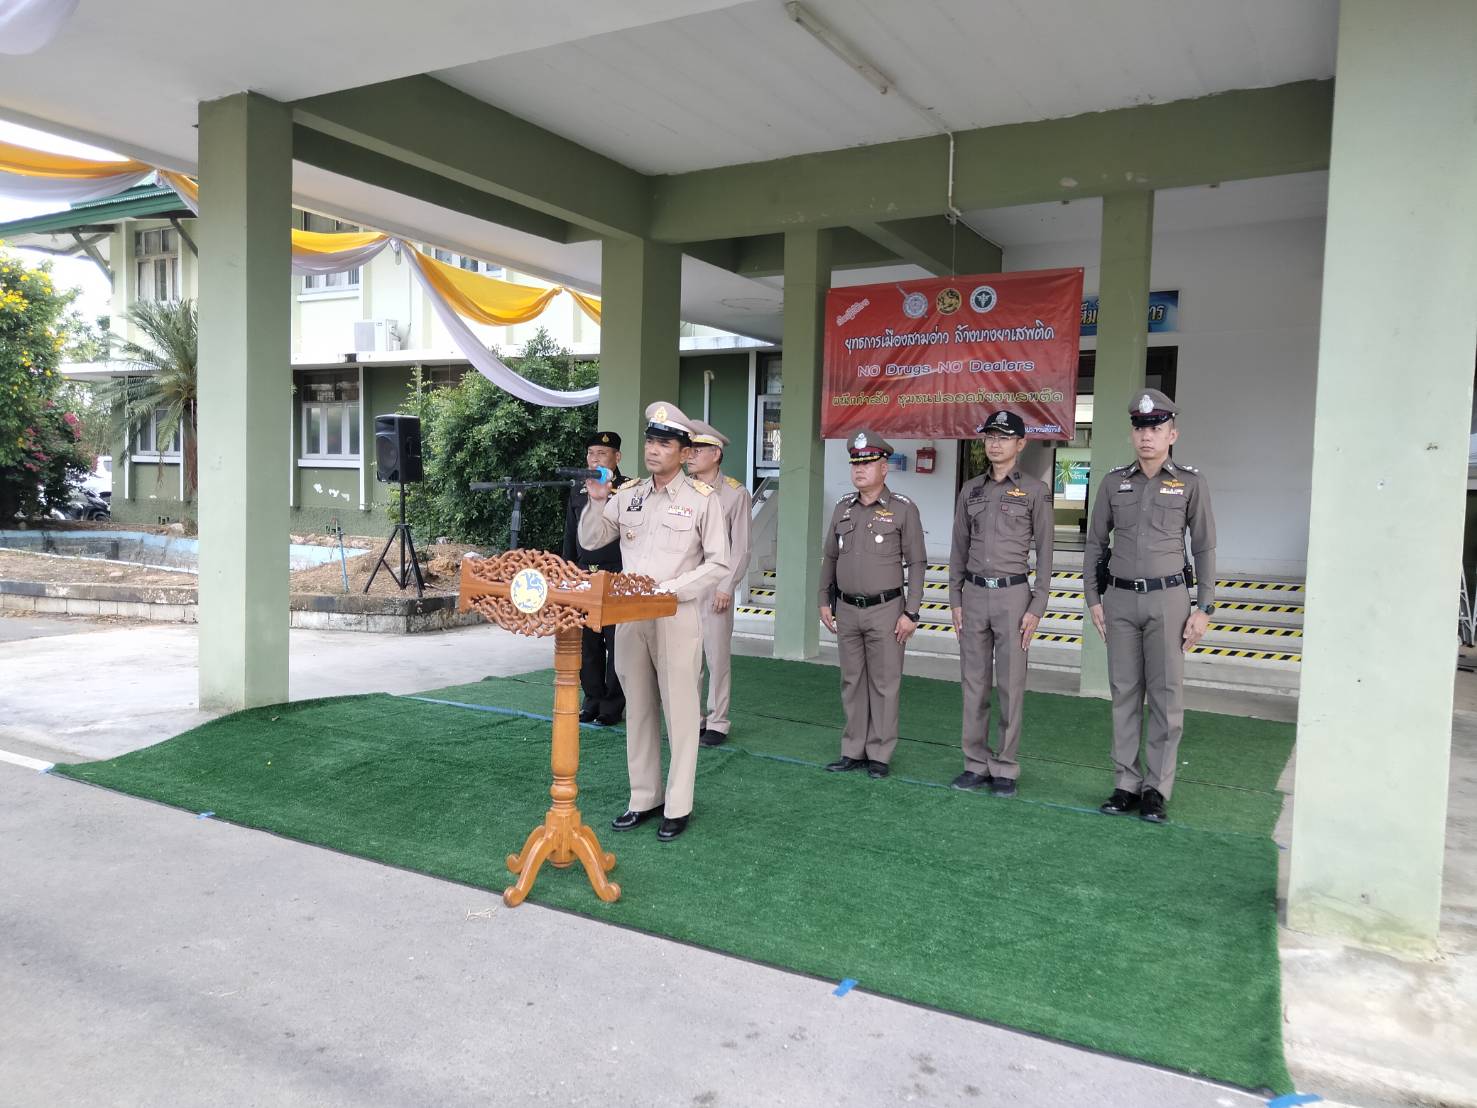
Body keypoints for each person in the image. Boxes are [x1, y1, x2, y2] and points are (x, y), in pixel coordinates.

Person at [579, 401, 729, 841]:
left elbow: (719, 563)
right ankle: (644, 797)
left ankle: (678, 805)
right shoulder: (629, 495)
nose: (653, 449)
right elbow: (591, 540)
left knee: (681, 713)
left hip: (675, 615)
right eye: (650, 441)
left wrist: (672, 590)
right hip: (631, 618)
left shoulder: (702, 500)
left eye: (664, 443)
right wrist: (597, 501)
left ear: (685, 453)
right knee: (640, 711)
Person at [1082, 388, 1217, 825]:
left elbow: (1204, 547)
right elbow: (1094, 543)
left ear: (1172, 434)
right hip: (1119, 600)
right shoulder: (1112, 483)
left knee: (1165, 696)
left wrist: (1204, 608)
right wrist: (1093, 598)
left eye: (1156, 428)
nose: (1147, 436)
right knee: (1124, 692)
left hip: (1168, 600)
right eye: (1140, 428)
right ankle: (1126, 783)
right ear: (1132, 433)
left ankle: (1156, 789)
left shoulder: (1190, 483)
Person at [947, 410, 1054, 797]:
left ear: (1021, 444)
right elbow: (958, 549)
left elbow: (1045, 553)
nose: (995, 444)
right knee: (974, 685)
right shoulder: (970, 490)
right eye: (990, 436)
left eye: (1004, 437)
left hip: (1014, 597)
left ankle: (1005, 766)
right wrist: (955, 598)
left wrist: (1037, 605)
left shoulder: (1035, 491)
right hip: (974, 596)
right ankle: (975, 763)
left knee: (1010, 685)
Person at [817, 431, 927, 779]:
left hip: (886, 610)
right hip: (847, 609)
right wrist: (823, 599)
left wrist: (911, 611)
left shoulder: (903, 509)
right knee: (852, 681)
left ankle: (879, 753)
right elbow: (830, 557)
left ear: (884, 468)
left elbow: (917, 563)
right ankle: (853, 749)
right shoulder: (843, 507)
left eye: (867, 463)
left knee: (884, 683)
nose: (859, 469)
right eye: (855, 463)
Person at [685, 419, 752, 748]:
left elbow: (741, 547)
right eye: (690, 449)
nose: (690, 455)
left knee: (716, 657)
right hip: (685, 584)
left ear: (716, 454)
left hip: (715, 587)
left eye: (698, 450)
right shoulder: (682, 489)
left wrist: (727, 585)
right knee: (687, 658)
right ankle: (692, 718)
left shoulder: (735, 494)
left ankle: (718, 720)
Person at [561, 430, 634, 725]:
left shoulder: (629, 490)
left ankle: (611, 706)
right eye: (591, 454)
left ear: (617, 457)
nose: (595, 459)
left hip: (615, 574)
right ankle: (591, 699)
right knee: (588, 643)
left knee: (616, 643)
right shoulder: (580, 489)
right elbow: (570, 533)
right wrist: (567, 570)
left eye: (602, 454)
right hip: (583, 574)